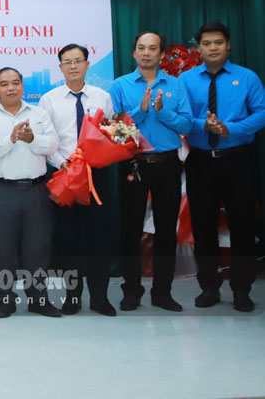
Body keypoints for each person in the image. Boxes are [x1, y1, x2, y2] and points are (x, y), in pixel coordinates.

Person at [179, 22, 265, 313]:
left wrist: (232, 129)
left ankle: (242, 290)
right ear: (199, 47)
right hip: (201, 160)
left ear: (228, 45)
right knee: (203, 226)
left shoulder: (247, 78)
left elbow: (262, 113)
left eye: (218, 42)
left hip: (238, 159)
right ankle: (209, 288)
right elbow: (179, 117)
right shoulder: (187, 80)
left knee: (242, 225)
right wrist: (200, 124)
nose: (212, 48)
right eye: (207, 43)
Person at [110, 31, 192, 312]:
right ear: (133, 53)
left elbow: (186, 126)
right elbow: (115, 132)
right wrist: (141, 110)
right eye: (141, 48)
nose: (146, 53)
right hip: (134, 164)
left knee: (167, 230)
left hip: (167, 164)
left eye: (152, 48)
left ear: (162, 54)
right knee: (130, 230)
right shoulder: (120, 86)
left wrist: (162, 112)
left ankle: (162, 292)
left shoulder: (176, 85)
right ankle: (131, 290)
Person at [38, 44, 117, 316]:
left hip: (97, 177)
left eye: (78, 61)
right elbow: (46, 141)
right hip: (66, 175)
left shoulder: (102, 97)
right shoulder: (48, 100)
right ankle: (73, 297)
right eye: (67, 62)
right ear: (60, 67)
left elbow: (111, 134)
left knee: (99, 238)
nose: (72, 66)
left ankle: (100, 297)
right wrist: (64, 163)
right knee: (69, 239)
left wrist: (99, 158)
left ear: (87, 64)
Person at [0, 67, 61, 318]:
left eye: (15, 83)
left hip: (36, 191)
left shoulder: (39, 113)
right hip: (3, 192)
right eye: (4, 84)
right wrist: (11, 139)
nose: (11, 88)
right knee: (4, 250)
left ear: (23, 86)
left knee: (37, 248)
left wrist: (32, 138)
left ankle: (38, 299)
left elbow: (52, 145)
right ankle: (5, 300)